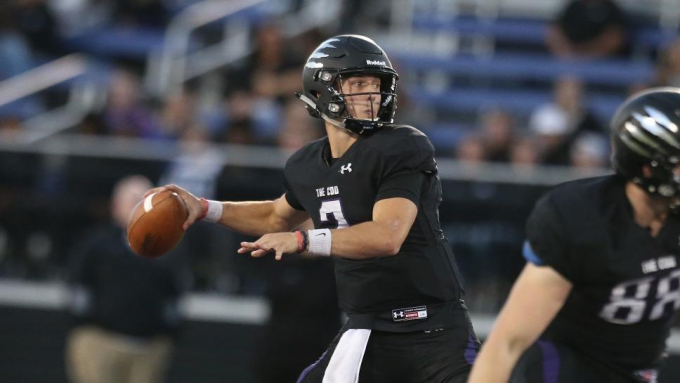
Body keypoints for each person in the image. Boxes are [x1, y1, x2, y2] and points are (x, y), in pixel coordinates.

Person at [146, 34, 480, 383]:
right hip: (367, 331)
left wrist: (305, 241)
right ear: (322, 92)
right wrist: (204, 208)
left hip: (435, 328)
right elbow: (276, 216)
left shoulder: (401, 147)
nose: (372, 95)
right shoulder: (308, 164)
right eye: (358, 83)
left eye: (377, 84)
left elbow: (388, 235)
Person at [468, 88, 680, 383]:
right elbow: (509, 340)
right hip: (567, 369)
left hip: (638, 371)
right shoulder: (584, 218)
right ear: (648, 166)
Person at [66, 175, 186, 383]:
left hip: (148, 346)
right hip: (101, 340)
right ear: (116, 205)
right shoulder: (98, 244)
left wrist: (168, 332)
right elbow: (78, 284)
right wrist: (84, 323)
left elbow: (175, 294)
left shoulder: (168, 249)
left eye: (147, 202)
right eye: (133, 201)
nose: (139, 208)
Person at [545, 0, 628, 59]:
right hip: (572, 62)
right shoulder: (573, 6)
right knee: (568, 81)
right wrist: (566, 53)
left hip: (604, 63)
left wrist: (587, 54)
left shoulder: (611, 8)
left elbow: (615, 39)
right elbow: (555, 32)